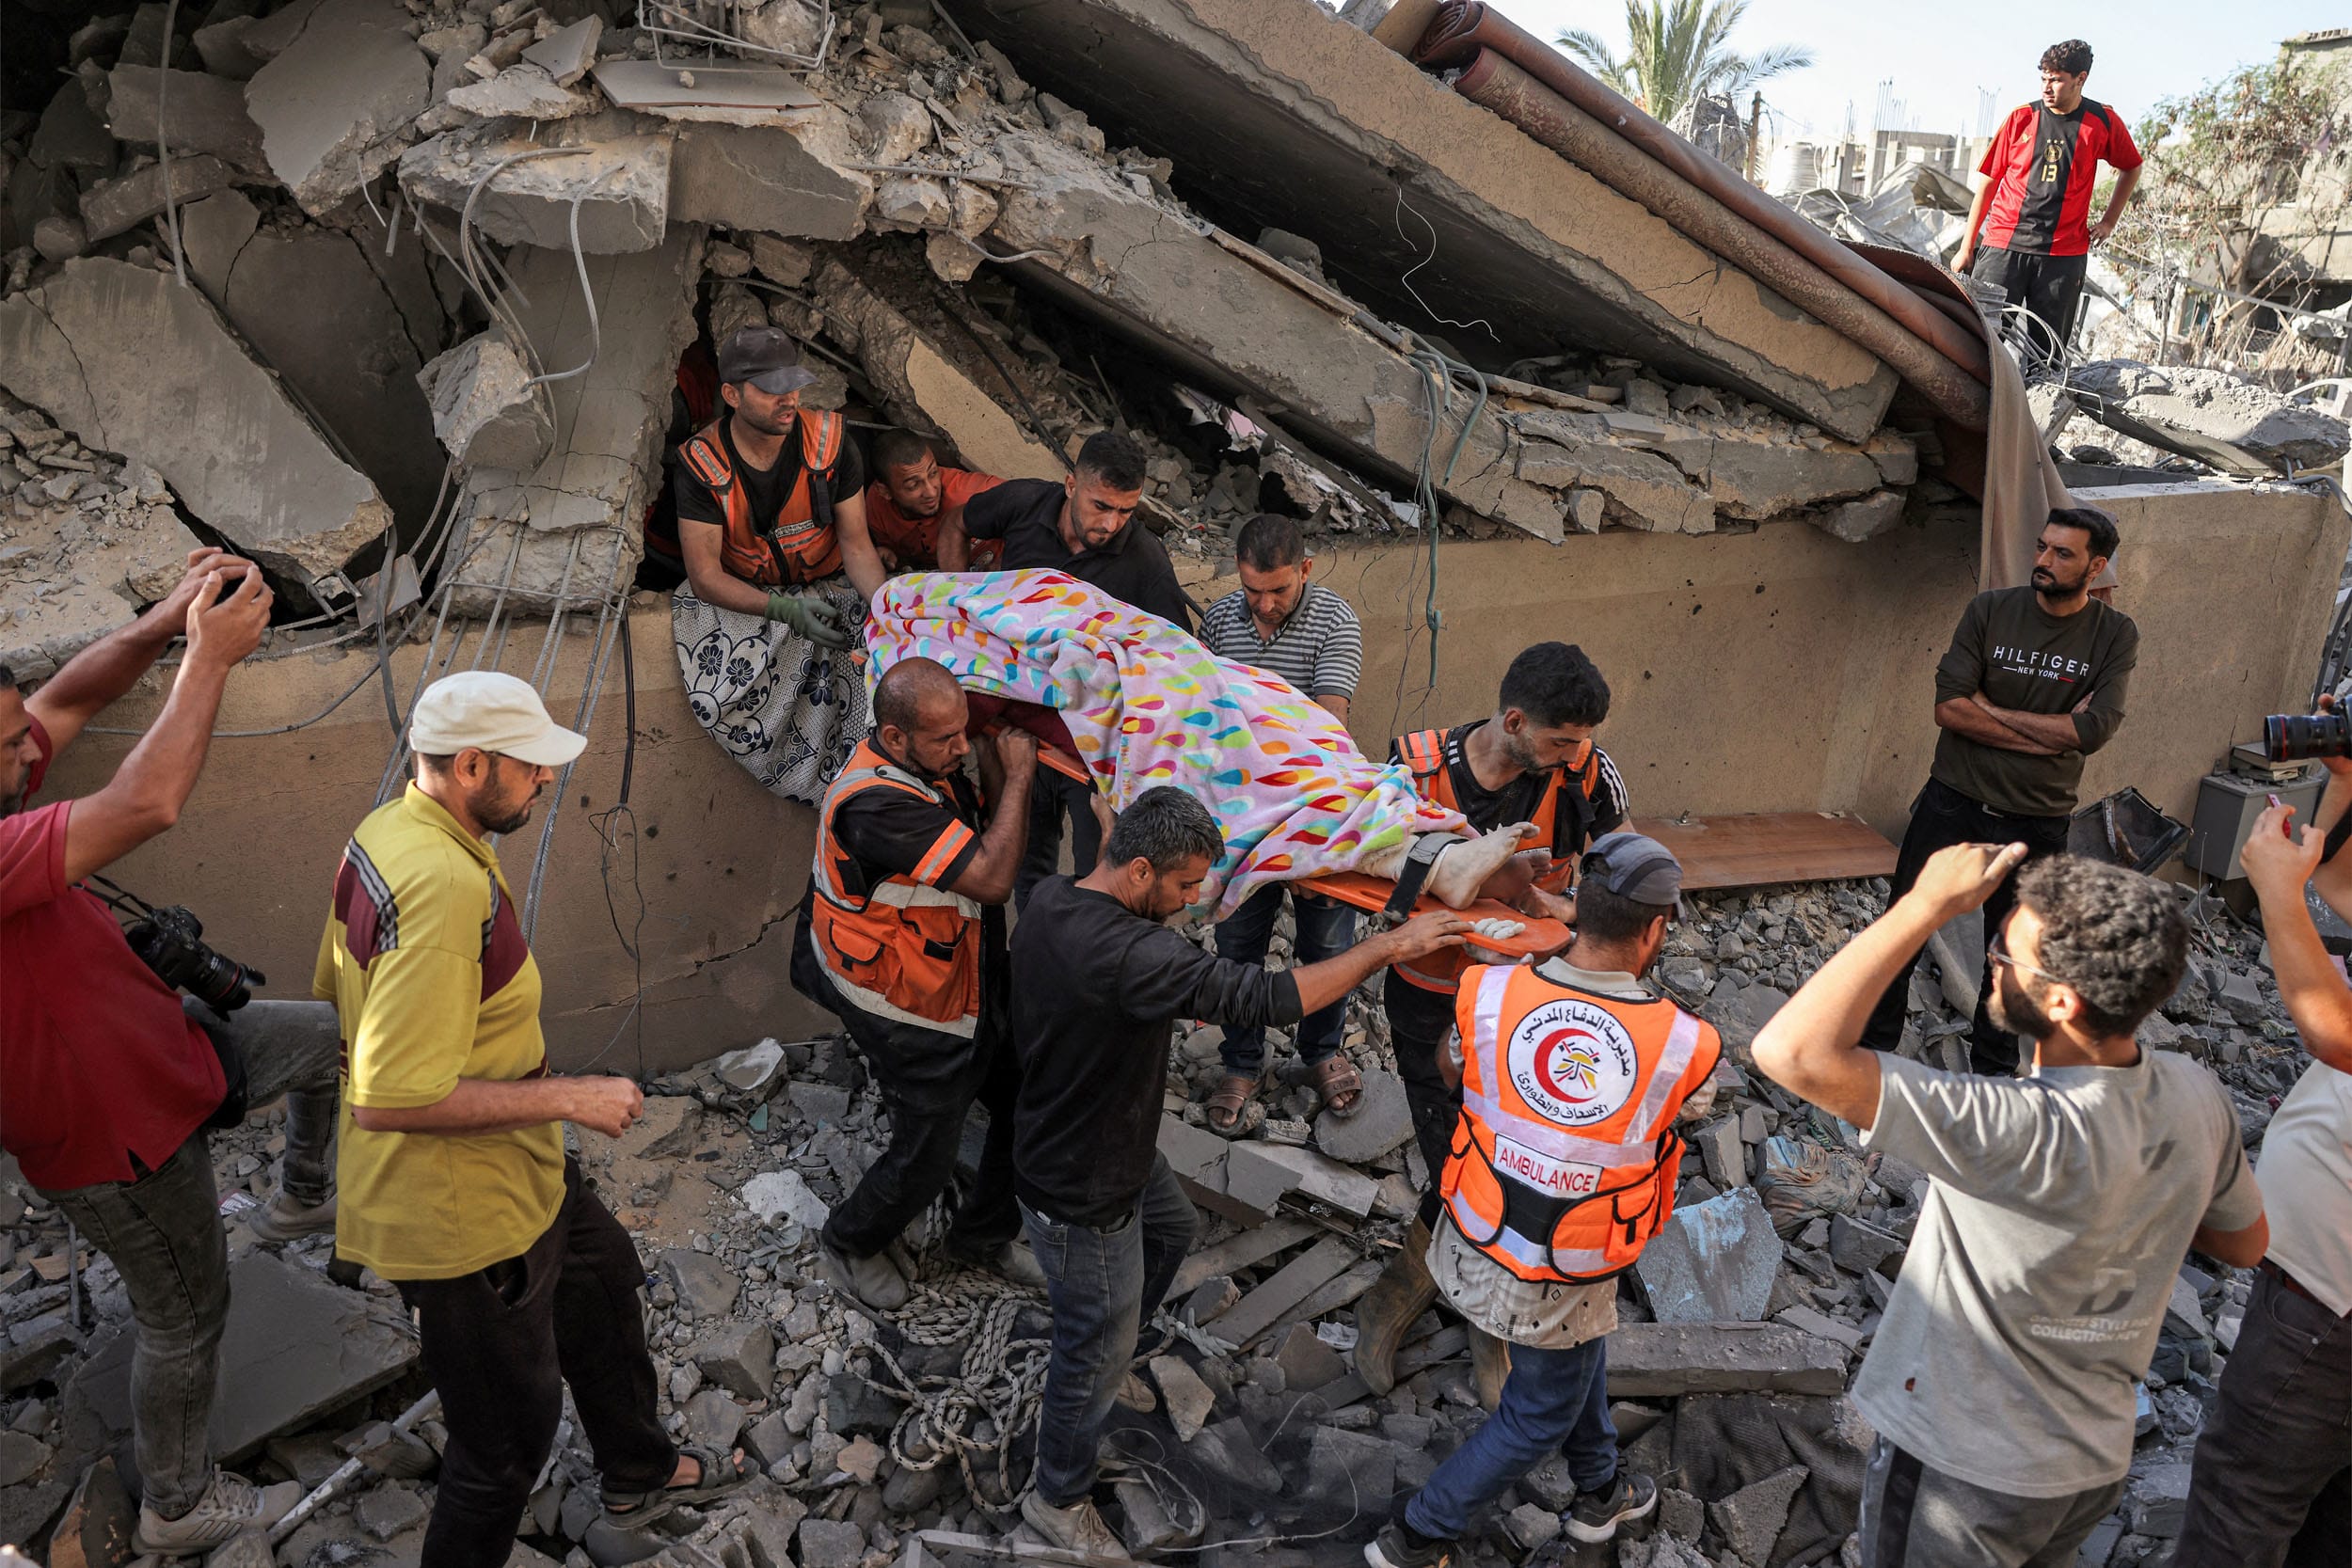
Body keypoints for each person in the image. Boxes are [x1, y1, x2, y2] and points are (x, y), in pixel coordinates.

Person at [316, 673, 751, 1566]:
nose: (547, 781)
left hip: (518, 1167)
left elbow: (341, 997)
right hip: (464, 1218)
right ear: (471, 764)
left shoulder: (390, 831)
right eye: (530, 767)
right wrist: (569, 1096)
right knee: (505, 1446)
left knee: (599, 1283)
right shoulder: (438, 885)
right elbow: (390, 1094)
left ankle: (636, 1465)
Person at [1751, 847, 2267, 1568]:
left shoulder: (2007, 1126)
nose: (1991, 958)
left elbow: (1789, 1050)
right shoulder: (2195, 1093)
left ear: (2061, 1000)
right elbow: (2245, 1244)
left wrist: (1923, 906)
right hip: (2087, 1464)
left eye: (2003, 951)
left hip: (1962, 1474)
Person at [1009, 787, 1470, 1556]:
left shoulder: (1059, 896)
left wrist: (1106, 802)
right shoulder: (1135, 954)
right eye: (1187, 887)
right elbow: (1268, 997)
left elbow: (1109, 839)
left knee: (1175, 1224)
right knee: (1087, 1346)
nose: (1195, 902)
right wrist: (1387, 946)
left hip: (1093, 1142)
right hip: (1081, 1187)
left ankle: (1113, 1352)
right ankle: (1056, 1497)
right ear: (1141, 869)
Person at [0, 554, 338, 1552]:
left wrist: (158, 625)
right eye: (5, 743)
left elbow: (69, 695)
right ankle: (179, 1503)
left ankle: (304, 1191)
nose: (30, 749)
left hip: (170, 1048)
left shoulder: (7, 774)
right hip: (112, 1137)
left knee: (331, 1041)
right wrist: (209, 658)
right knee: (186, 1314)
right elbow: (145, 803)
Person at [1369, 833, 1721, 1568]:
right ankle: (1415, 1536)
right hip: (1563, 1258)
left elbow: (1449, 1064)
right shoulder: (1682, 1042)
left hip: (1477, 1225)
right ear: (1655, 930)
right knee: (1535, 1417)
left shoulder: (1491, 991)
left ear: (1577, 912)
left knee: (1577, 1352)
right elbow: (1684, 1106)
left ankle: (1600, 1492)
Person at [1352, 641, 1629, 1399]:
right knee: (1456, 1158)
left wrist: (1553, 909)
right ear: (1515, 721)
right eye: (1563, 739)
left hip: (1530, 1002)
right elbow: (1366, 887)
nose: (1579, 752)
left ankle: (1486, 1320)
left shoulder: (1587, 779)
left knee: (1513, 1154)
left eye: (1582, 738)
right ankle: (1395, 1300)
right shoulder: (1410, 772)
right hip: (1430, 995)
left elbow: (1618, 891)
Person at [792, 657, 1039, 1310]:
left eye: (965, 731)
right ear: (895, 737)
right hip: (904, 999)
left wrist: (986, 762)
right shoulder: (877, 804)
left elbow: (978, 825)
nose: (962, 747)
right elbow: (990, 878)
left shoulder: (926, 763)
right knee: (928, 1151)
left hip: (961, 976)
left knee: (1023, 1096)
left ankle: (983, 1233)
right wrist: (1018, 776)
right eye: (947, 738)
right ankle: (849, 1241)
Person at [1858, 506, 2136, 1075]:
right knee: (1904, 928)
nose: (2044, 561)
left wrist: (1992, 709)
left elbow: (2094, 730)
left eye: (2062, 554)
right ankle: (1872, 1056)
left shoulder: (2114, 634)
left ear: (2096, 565)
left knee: (2015, 956)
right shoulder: (1990, 610)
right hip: (1953, 801)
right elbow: (1949, 708)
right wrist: (2049, 737)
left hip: (2036, 820)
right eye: (2042, 547)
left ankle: (1991, 1074)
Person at [2174, 787, 2352, 1568]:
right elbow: (2345, 884)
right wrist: (2344, 784)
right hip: (2324, 1291)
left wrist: (2278, 894)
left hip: (2330, 1313)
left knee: (2241, 1508)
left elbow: (2338, 1033)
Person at [937, 431, 1193, 907]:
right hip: (1012, 724)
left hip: (1084, 746)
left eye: (1126, 511)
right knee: (1024, 860)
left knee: (1092, 874)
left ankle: (1073, 956)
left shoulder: (1145, 560)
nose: (1112, 523)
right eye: (1102, 506)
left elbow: (1175, 658)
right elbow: (956, 524)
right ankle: (1034, 949)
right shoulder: (1023, 502)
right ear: (1071, 484)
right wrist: (965, 602)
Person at [1197, 515, 1367, 1132]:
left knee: (1326, 944)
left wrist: (1300, 843)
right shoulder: (1218, 622)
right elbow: (1207, 721)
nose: (1264, 605)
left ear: (1305, 571)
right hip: (1240, 817)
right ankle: (1240, 1060)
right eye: (1252, 591)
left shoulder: (1334, 620)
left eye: (1279, 591)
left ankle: (1320, 1051)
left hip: (1318, 807)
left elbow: (1326, 731)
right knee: (1237, 945)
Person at [671, 325, 888, 805]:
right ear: (731, 394)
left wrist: (887, 612)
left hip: (829, 588)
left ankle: (856, 793)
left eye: (792, 384)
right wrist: (784, 611)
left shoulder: (832, 445)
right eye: (771, 389)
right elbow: (705, 576)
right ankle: (799, 780)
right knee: (719, 693)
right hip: (753, 599)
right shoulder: (700, 464)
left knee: (879, 679)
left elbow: (857, 546)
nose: (788, 398)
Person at [1954, 40, 2142, 369]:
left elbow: (2131, 166)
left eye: (2056, 79)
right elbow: (1987, 182)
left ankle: (2031, 419)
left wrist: (2110, 221)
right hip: (2004, 247)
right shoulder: (2021, 118)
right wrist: (1966, 246)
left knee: (2046, 360)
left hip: (2062, 257)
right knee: (1977, 345)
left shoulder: (2102, 121)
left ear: (2080, 79)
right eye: (2043, 78)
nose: (2047, 87)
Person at [862, 428, 1003, 571]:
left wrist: (1006, 561)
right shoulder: (876, 508)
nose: (930, 492)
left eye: (933, 473)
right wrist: (892, 556)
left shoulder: (968, 492)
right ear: (885, 492)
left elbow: (1025, 502)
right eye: (913, 485)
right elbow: (898, 554)